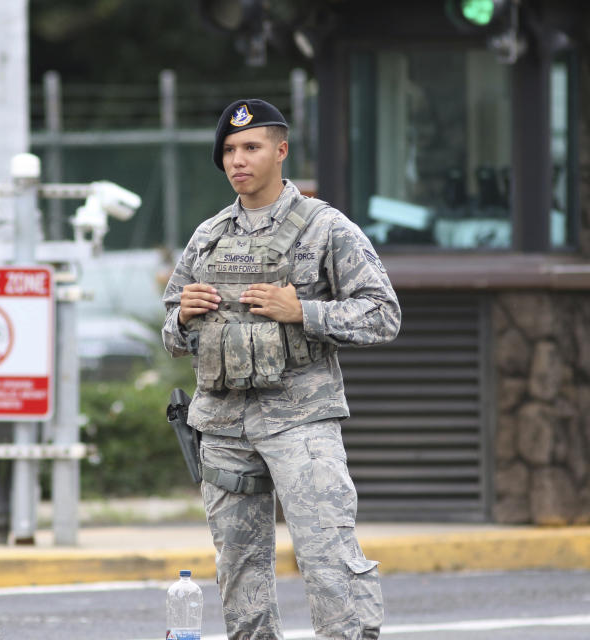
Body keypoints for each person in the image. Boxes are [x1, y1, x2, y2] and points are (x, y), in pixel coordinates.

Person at [161, 99, 401, 639]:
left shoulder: (325, 228)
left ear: (281, 151)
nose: (238, 159)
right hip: (222, 426)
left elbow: (383, 315)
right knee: (239, 573)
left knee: (328, 560)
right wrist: (185, 317)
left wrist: (305, 312)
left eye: (251, 147)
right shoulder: (209, 235)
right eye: (228, 150)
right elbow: (171, 331)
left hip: (301, 422)